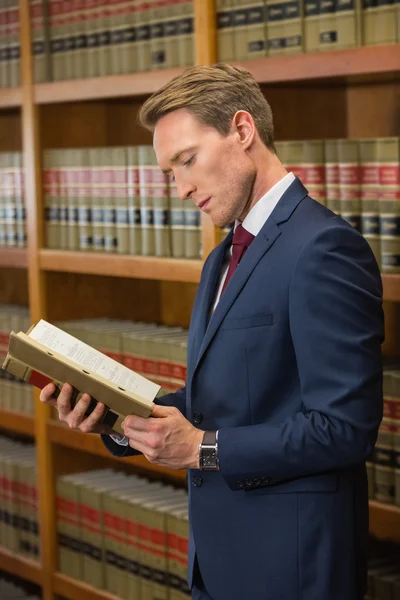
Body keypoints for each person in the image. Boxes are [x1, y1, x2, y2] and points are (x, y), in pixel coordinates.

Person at [40, 64, 384, 600]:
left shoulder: (325, 249)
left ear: (242, 131)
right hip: (217, 564)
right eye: (169, 173)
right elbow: (221, 403)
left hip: (292, 567)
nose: (180, 189)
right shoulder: (221, 256)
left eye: (187, 161)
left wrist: (203, 449)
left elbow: (344, 429)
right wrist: (116, 418)